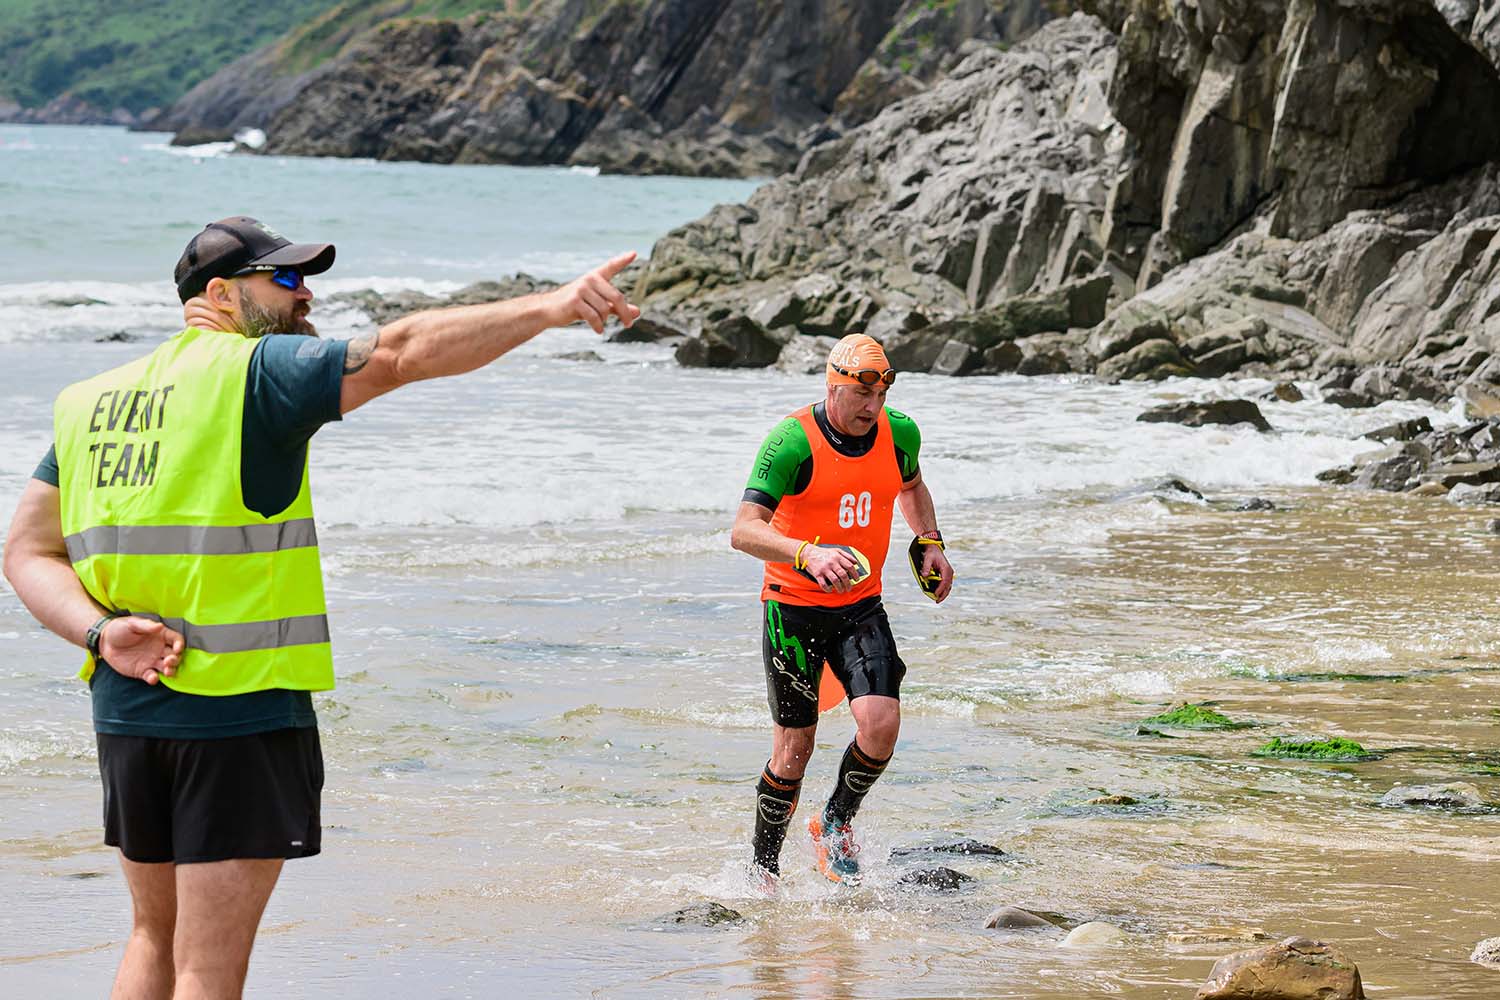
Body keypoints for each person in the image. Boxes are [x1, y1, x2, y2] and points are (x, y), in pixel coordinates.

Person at [1, 216, 639, 998]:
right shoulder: (256, 371)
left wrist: (100, 635)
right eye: (288, 280)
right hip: (236, 714)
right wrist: (551, 307)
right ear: (220, 294)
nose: (308, 297)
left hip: (129, 716)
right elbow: (402, 352)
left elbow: (26, 553)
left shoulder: (89, 402)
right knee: (207, 967)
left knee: (152, 940)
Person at [729, 333, 954, 887]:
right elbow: (743, 531)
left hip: (860, 605)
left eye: (881, 394)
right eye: (860, 394)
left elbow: (913, 484)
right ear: (833, 385)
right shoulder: (791, 442)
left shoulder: (899, 432)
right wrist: (807, 553)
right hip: (793, 608)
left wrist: (929, 540)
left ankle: (834, 824)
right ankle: (762, 873)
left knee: (881, 724)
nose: (871, 407)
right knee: (794, 750)